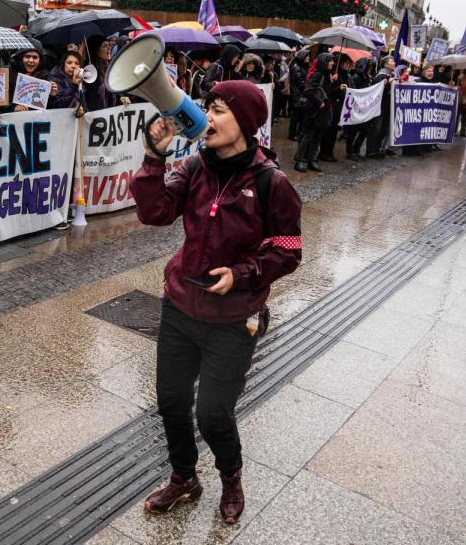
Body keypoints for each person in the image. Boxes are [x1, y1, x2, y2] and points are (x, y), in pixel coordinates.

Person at [131, 80, 301, 525]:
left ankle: (230, 478)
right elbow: (155, 213)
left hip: (233, 319)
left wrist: (241, 275)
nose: (208, 116)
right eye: (207, 107)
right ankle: (184, 478)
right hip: (180, 306)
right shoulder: (193, 167)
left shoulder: (272, 183)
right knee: (170, 402)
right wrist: (154, 156)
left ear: (245, 122)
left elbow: (287, 249)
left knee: (212, 414)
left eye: (220, 109)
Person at [294, 52, 335, 173]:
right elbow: (308, 91)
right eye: (330, 61)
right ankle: (300, 160)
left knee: (317, 137)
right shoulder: (318, 74)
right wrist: (319, 102)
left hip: (323, 112)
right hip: (314, 111)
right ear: (324, 62)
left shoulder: (327, 75)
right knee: (308, 136)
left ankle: (312, 159)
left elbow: (328, 92)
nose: (333, 63)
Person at [48, 50, 87, 116]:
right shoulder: (55, 79)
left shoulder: (79, 80)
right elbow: (60, 104)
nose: (73, 66)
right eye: (69, 63)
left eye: (77, 63)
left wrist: (83, 111)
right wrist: (74, 85)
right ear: (63, 64)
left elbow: (84, 105)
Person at [288, 49, 310, 141]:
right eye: (307, 56)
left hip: (300, 96)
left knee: (299, 117)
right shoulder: (297, 68)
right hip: (297, 96)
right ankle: (292, 135)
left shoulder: (303, 67)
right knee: (295, 117)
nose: (308, 57)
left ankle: (297, 133)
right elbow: (300, 83)